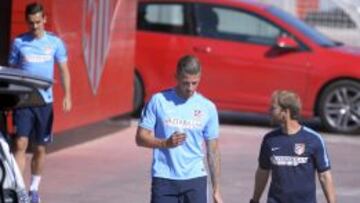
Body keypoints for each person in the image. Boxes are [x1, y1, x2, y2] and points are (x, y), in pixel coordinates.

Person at [135, 55, 223, 203]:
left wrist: (216, 190)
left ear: (200, 78)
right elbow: (140, 138)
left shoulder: (208, 107)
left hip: (195, 179)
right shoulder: (159, 101)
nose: (190, 88)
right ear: (176, 77)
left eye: (194, 83)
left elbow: (213, 150)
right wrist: (165, 143)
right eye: (185, 83)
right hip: (164, 179)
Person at [8, 2, 72, 203]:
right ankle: (18, 189)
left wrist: (67, 95)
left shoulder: (55, 43)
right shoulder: (19, 42)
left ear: (44, 19)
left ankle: (34, 189)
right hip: (24, 101)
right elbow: (12, 70)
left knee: (40, 147)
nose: (34, 26)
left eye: (37, 22)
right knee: (20, 143)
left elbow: (63, 70)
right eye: (30, 23)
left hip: (45, 103)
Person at [250, 90, 336, 203]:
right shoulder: (269, 140)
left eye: (273, 108)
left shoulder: (314, 139)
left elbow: (324, 175)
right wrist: (255, 200)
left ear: (286, 111)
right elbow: (263, 171)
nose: (269, 111)